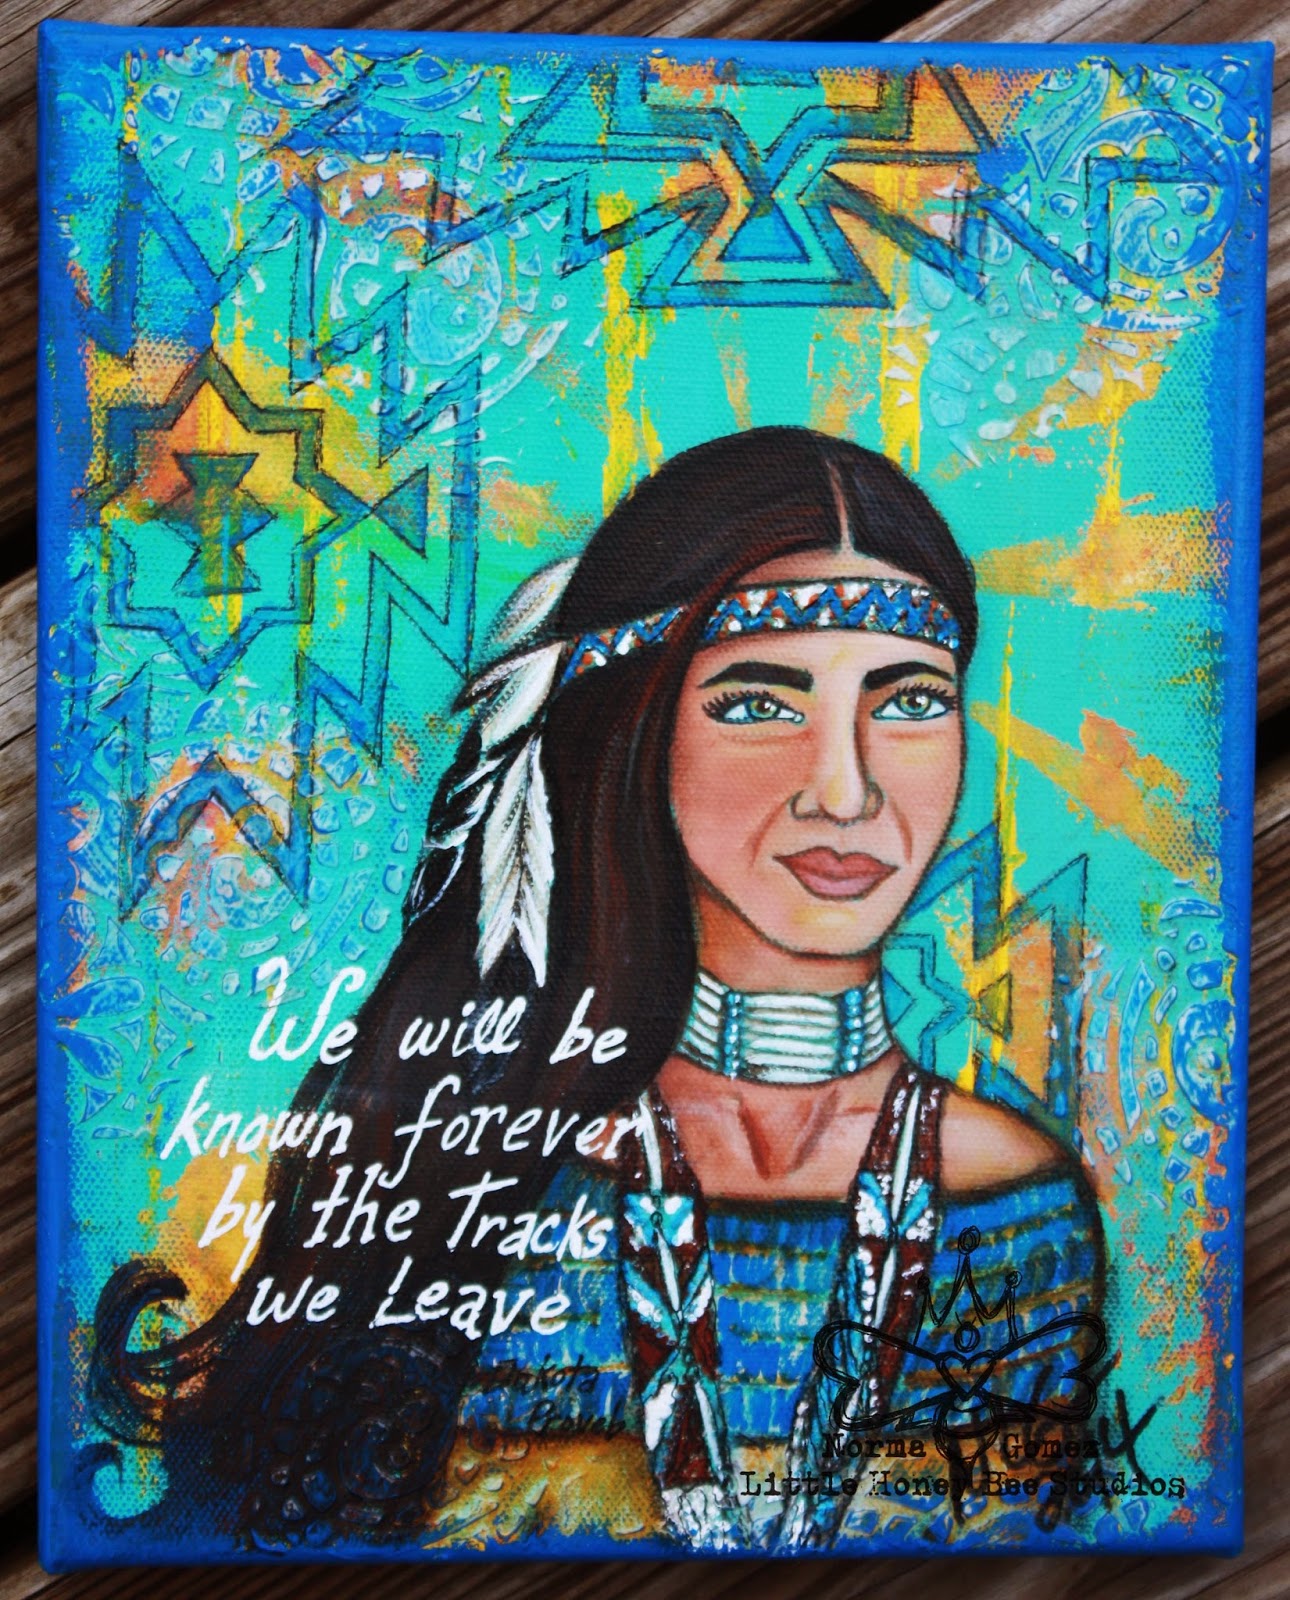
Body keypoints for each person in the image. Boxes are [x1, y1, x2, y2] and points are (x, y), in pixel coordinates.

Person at [90, 427, 1104, 1555]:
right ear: (637, 727)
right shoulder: (480, 1170)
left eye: (908, 699)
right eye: (759, 703)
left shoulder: (1018, 1210)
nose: (845, 788)